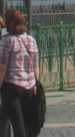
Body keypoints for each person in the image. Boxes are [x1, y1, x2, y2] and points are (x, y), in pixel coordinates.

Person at [0, 9, 39, 137]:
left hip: (12, 87)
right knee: (24, 123)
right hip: (29, 87)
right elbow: (36, 66)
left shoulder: (7, 41)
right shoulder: (31, 40)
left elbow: (2, 68)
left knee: (17, 125)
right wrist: (36, 85)